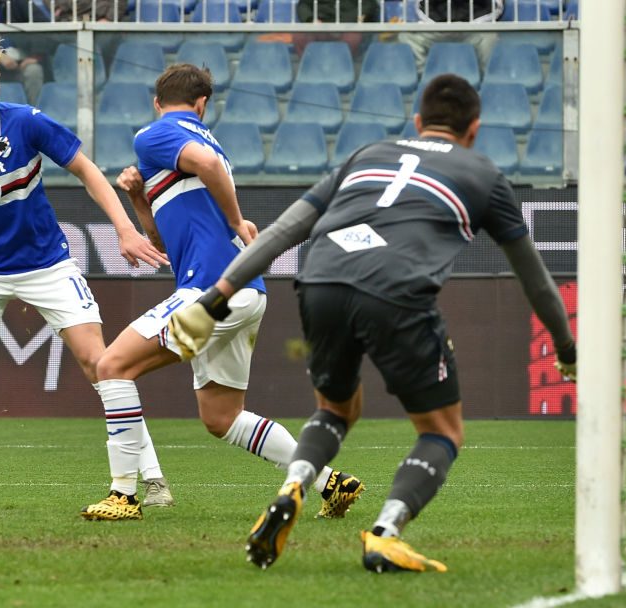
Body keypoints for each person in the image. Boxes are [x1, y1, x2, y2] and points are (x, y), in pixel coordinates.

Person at [168, 74, 577, 572]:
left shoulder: (367, 154)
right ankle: (384, 532)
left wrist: (216, 299)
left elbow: (284, 231)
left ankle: (295, 485)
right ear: (474, 130)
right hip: (396, 290)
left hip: (320, 279)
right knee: (442, 430)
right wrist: (566, 349)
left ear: (418, 122)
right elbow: (533, 277)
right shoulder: (483, 174)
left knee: (336, 410)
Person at [77, 63, 366, 522]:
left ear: (159, 102)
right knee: (222, 417)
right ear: (203, 104)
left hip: (212, 292)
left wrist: (236, 221)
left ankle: (123, 495)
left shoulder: (155, 135)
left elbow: (212, 179)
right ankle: (330, 480)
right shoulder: (207, 149)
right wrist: (137, 199)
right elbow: (166, 244)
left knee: (111, 365)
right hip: (244, 294)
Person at [0, 36, 169, 508]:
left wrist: (124, 228)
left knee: (102, 364)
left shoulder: (25, 122)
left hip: (48, 265)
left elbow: (87, 169)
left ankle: (153, 478)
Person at [397, 0, 503, 71]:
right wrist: (441, 24)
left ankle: (486, 84)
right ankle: (423, 82)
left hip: (473, 29)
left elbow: (496, 6)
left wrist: (470, 24)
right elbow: (422, 5)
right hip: (438, 28)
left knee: (489, 37)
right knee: (407, 36)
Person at [292, 0, 380, 58]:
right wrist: (311, 19)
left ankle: (342, 69)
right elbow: (303, 5)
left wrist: (343, 22)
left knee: (353, 37)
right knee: (299, 35)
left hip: (348, 25)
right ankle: (310, 68)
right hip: (320, 25)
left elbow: (369, 5)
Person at [54, 0, 125, 22]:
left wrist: (109, 19)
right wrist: (60, 7)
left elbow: (119, 3)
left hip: (100, 19)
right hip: (67, 20)